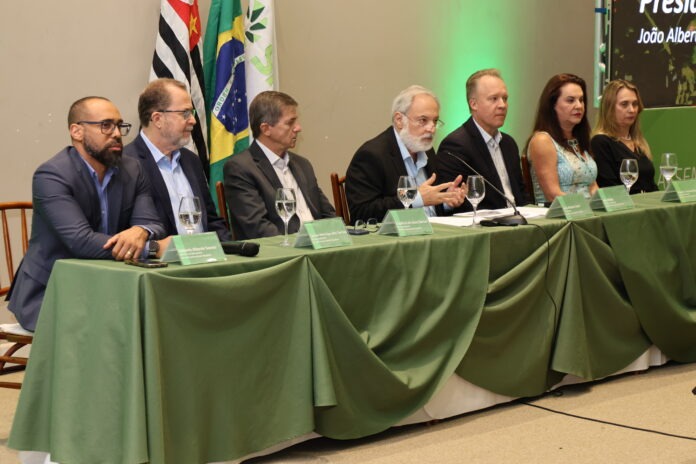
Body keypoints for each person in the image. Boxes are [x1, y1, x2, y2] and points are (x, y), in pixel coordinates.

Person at [6, 97, 167, 331]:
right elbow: (81, 241)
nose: (116, 134)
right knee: (116, 330)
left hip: (111, 286)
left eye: (119, 125)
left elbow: (153, 224)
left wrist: (140, 231)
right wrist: (151, 248)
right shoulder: (52, 175)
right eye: (106, 125)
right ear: (77, 131)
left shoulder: (132, 169)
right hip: (52, 291)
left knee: (163, 318)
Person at [123, 78, 230, 240]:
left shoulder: (191, 160)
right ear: (157, 119)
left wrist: (229, 249)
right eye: (185, 113)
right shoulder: (126, 163)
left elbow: (211, 220)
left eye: (192, 113)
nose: (193, 120)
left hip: (205, 253)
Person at [223, 91, 335, 240]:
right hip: (282, 250)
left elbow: (328, 215)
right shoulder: (240, 168)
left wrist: (335, 237)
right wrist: (299, 245)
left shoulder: (303, 164)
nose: (298, 128)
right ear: (266, 129)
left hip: (321, 247)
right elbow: (257, 228)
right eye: (290, 123)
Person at [345, 85, 465, 222]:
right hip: (399, 235)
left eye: (435, 121)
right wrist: (414, 197)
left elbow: (430, 206)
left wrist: (446, 200)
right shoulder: (372, 155)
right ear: (399, 120)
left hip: (435, 231)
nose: (431, 128)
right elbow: (362, 212)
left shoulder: (427, 150)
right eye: (423, 120)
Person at [436, 69, 528, 212]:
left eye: (505, 98)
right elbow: (454, 204)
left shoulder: (509, 143)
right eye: (494, 98)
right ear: (474, 104)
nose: (502, 105)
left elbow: (521, 193)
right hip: (487, 222)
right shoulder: (455, 146)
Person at [526, 73, 598, 204]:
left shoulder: (578, 139)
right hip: (558, 213)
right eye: (570, 100)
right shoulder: (542, 140)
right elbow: (553, 195)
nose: (579, 106)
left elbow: (592, 187)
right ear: (552, 104)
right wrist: (587, 209)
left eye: (581, 100)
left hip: (588, 212)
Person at [591, 80, 658, 194]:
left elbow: (650, 184)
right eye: (624, 104)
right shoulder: (600, 142)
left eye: (635, 104)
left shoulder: (638, 142)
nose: (632, 110)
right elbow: (609, 188)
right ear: (609, 108)